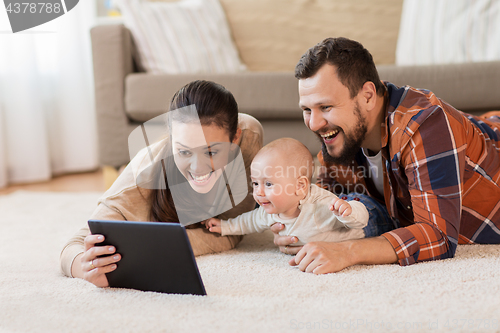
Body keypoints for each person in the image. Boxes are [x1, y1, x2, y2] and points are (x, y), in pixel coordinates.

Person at [272, 37, 500, 274]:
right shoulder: (340, 136)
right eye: (307, 110)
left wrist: (349, 251)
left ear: (368, 96)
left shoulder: (425, 124)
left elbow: (438, 235)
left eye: (326, 107)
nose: (314, 123)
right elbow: (323, 200)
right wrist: (296, 225)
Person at [60, 80, 263, 287]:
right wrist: (82, 267)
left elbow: (233, 229)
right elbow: (73, 246)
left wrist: (165, 246)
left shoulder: (248, 137)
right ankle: (123, 169)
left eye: (211, 152)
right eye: (184, 151)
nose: (198, 166)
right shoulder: (138, 185)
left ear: (234, 139)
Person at [206, 138, 394, 247]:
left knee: (389, 220)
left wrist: (347, 210)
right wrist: (224, 226)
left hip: (366, 218)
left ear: (300, 186)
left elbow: (361, 218)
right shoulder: (269, 213)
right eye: (255, 183)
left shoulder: (320, 204)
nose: (259, 192)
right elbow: (248, 221)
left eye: (269, 184)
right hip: (348, 215)